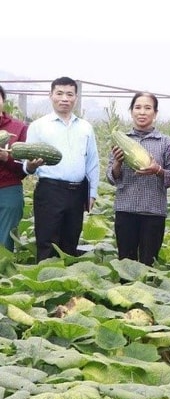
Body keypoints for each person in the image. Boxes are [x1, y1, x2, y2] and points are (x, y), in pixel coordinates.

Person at [22, 77, 100, 261]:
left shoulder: (86, 127)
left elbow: (93, 162)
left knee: (70, 241)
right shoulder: (38, 126)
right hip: (50, 190)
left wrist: (92, 193)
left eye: (69, 94)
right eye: (59, 93)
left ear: (76, 97)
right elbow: (25, 163)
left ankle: (67, 284)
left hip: (77, 191)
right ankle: (46, 285)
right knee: (47, 241)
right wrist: (31, 166)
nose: (64, 98)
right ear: (51, 95)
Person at [107, 92, 170, 265]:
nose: (142, 112)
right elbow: (111, 177)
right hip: (125, 210)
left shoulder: (166, 142)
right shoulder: (120, 140)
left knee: (149, 263)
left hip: (153, 211)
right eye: (137, 107)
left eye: (148, 108)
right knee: (126, 264)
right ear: (131, 111)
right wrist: (117, 163)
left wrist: (158, 170)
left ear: (155, 113)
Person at [0, 84, 28, 252]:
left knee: (5, 245)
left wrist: (6, 157)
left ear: (3, 101)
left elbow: (24, 168)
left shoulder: (18, 128)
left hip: (8, 190)